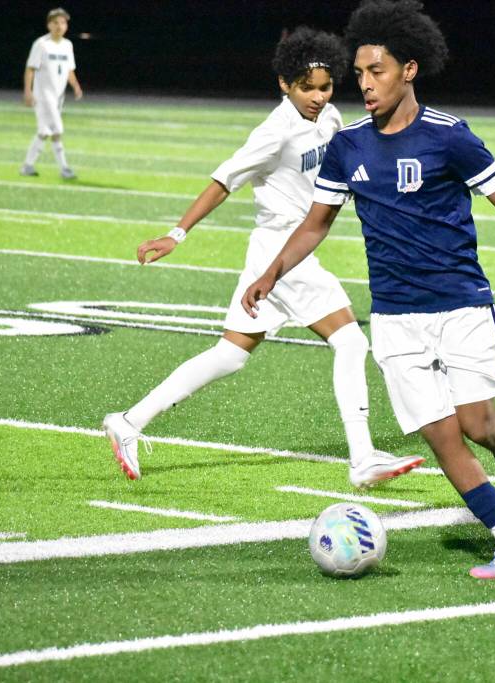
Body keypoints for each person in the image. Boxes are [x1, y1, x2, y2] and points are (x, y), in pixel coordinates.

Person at [242, 0, 495, 580]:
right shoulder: (349, 146)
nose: (363, 85)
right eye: (359, 74)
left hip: (463, 306)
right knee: (442, 438)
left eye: (377, 72)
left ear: (409, 70)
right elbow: (316, 222)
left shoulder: (451, 137)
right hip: (394, 318)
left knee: (478, 423)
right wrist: (271, 273)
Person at [102, 27, 424, 489]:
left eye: (324, 86)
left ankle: (129, 421)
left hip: (275, 254)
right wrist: (177, 233)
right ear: (284, 85)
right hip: (282, 254)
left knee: (230, 355)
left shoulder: (329, 116)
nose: (317, 96)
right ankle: (362, 457)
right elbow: (223, 181)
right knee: (351, 342)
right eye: (305, 87)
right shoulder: (273, 132)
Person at [20, 7, 83, 180]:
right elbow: (30, 69)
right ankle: (64, 169)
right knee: (58, 129)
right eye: (56, 22)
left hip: (58, 97)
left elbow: (69, 69)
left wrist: (76, 86)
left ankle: (27, 166)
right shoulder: (41, 44)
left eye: (63, 22)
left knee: (45, 132)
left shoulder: (67, 45)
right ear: (49, 25)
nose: (59, 26)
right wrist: (28, 91)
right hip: (43, 95)